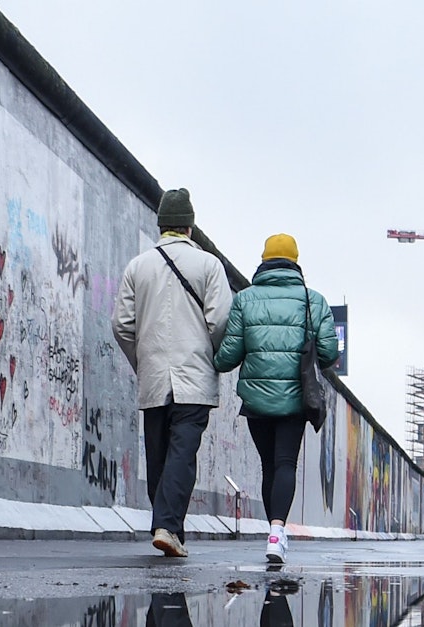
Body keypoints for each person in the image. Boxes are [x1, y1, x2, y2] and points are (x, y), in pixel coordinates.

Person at [113, 188, 232, 558]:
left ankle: (168, 527)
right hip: (193, 377)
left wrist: (142, 361)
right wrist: (209, 355)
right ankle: (167, 525)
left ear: (162, 225)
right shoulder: (209, 266)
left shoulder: (138, 266)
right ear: (190, 228)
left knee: (160, 454)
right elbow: (221, 321)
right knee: (182, 452)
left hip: (153, 377)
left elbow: (121, 325)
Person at [212, 233, 338, 564]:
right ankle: (277, 532)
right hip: (296, 398)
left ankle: (273, 530)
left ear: (264, 262)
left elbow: (228, 356)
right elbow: (328, 353)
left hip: (256, 400)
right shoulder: (314, 301)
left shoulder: (245, 300)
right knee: (285, 463)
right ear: (295, 263)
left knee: (269, 465)